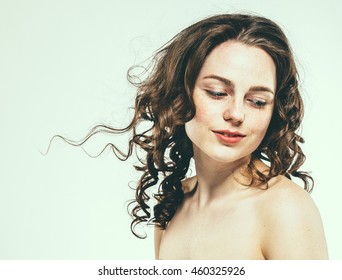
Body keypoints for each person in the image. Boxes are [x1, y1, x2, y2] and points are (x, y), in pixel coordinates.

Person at [59, 13, 328, 259]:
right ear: (179, 97)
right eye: (217, 92)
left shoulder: (284, 208)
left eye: (257, 101)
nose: (236, 114)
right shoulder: (172, 207)